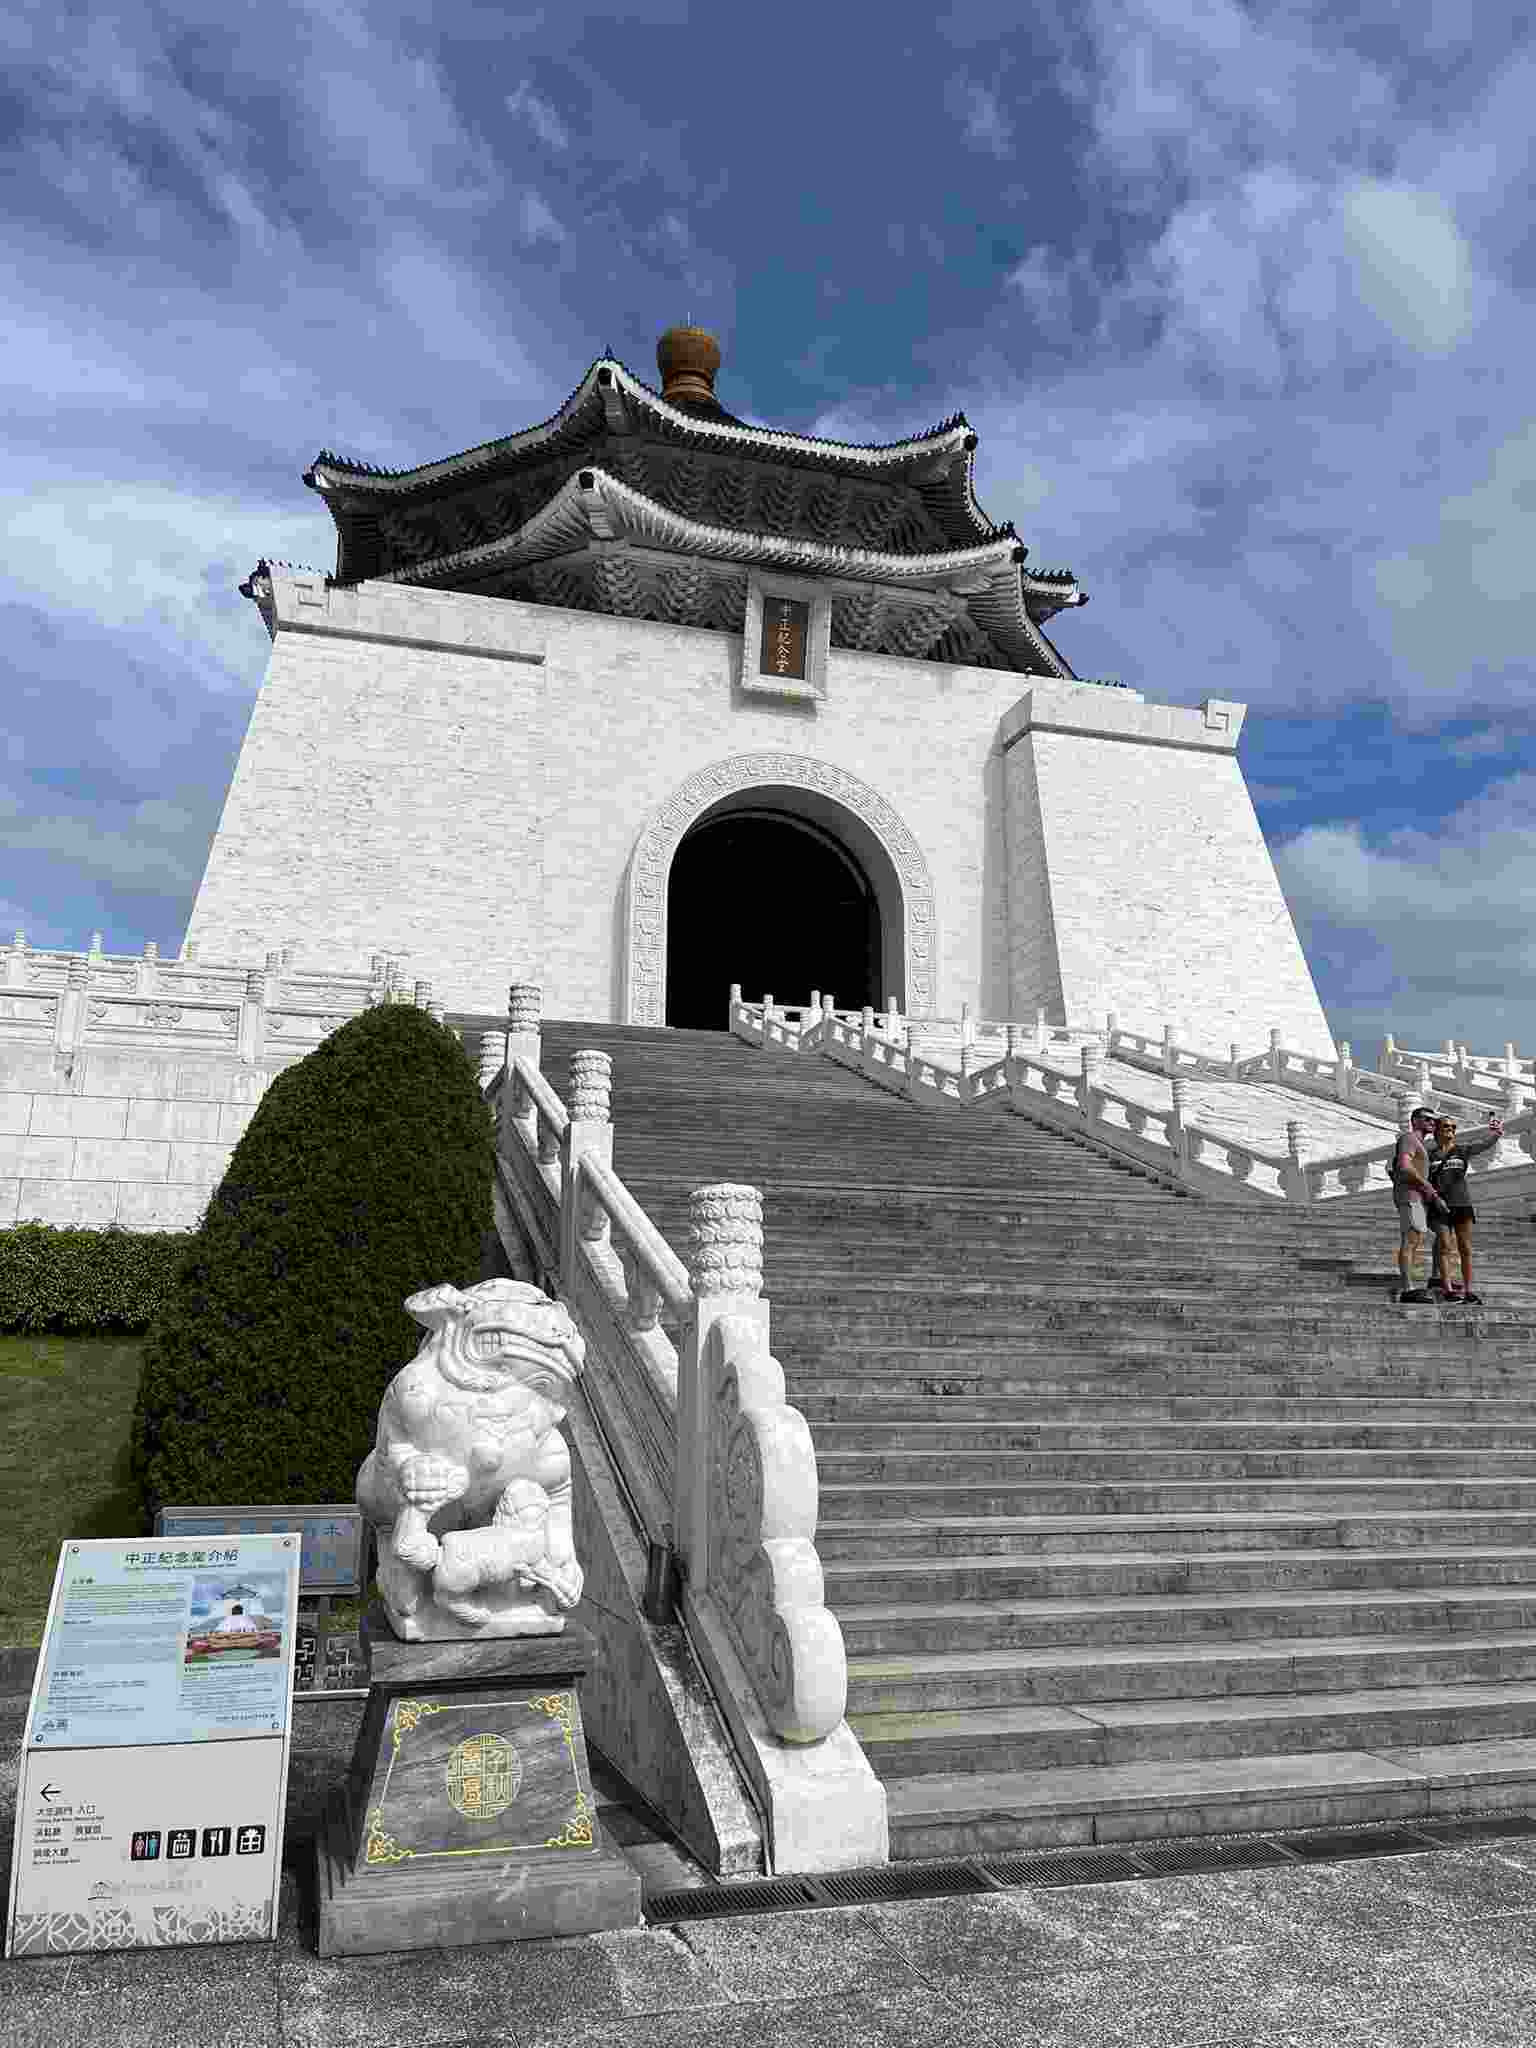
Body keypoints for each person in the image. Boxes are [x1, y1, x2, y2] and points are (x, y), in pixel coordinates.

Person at [1427, 1113, 1504, 1306]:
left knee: (1466, 1248)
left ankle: (1469, 1290)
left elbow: (1484, 1144)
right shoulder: (1429, 1155)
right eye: (1446, 1127)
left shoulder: (1462, 1150)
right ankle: (1448, 1289)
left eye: (1453, 1127)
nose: (1451, 1130)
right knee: (1444, 1245)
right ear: (1436, 1131)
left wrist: (1496, 1133)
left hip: (1462, 1204)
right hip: (1439, 1206)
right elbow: (1421, 1181)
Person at [1392, 1106, 1449, 1304]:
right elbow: (1404, 1166)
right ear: (1415, 1120)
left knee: (1419, 1238)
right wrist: (1431, 1192)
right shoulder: (1408, 1138)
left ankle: (1417, 1283)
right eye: (1427, 1119)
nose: (1432, 1123)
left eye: (1434, 1121)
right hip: (1411, 1196)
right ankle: (1407, 1288)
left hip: (1417, 1197)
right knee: (1411, 1239)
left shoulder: (1422, 1144)